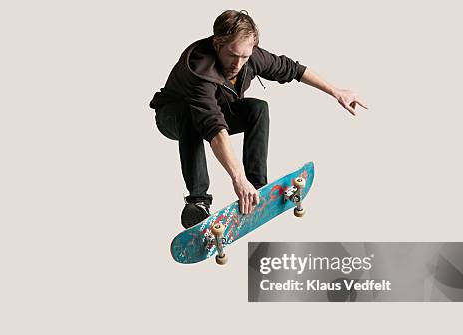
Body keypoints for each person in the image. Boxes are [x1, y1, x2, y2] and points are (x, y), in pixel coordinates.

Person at [150, 10, 367, 228]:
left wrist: (336, 91)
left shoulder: (251, 56)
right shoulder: (199, 68)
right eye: (233, 56)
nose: (238, 64)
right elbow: (214, 127)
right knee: (191, 115)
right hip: (172, 116)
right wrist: (237, 178)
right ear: (217, 44)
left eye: (245, 57)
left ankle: (257, 186)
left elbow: (293, 69)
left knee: (257, 108)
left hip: (216, 111)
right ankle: (197, 202)